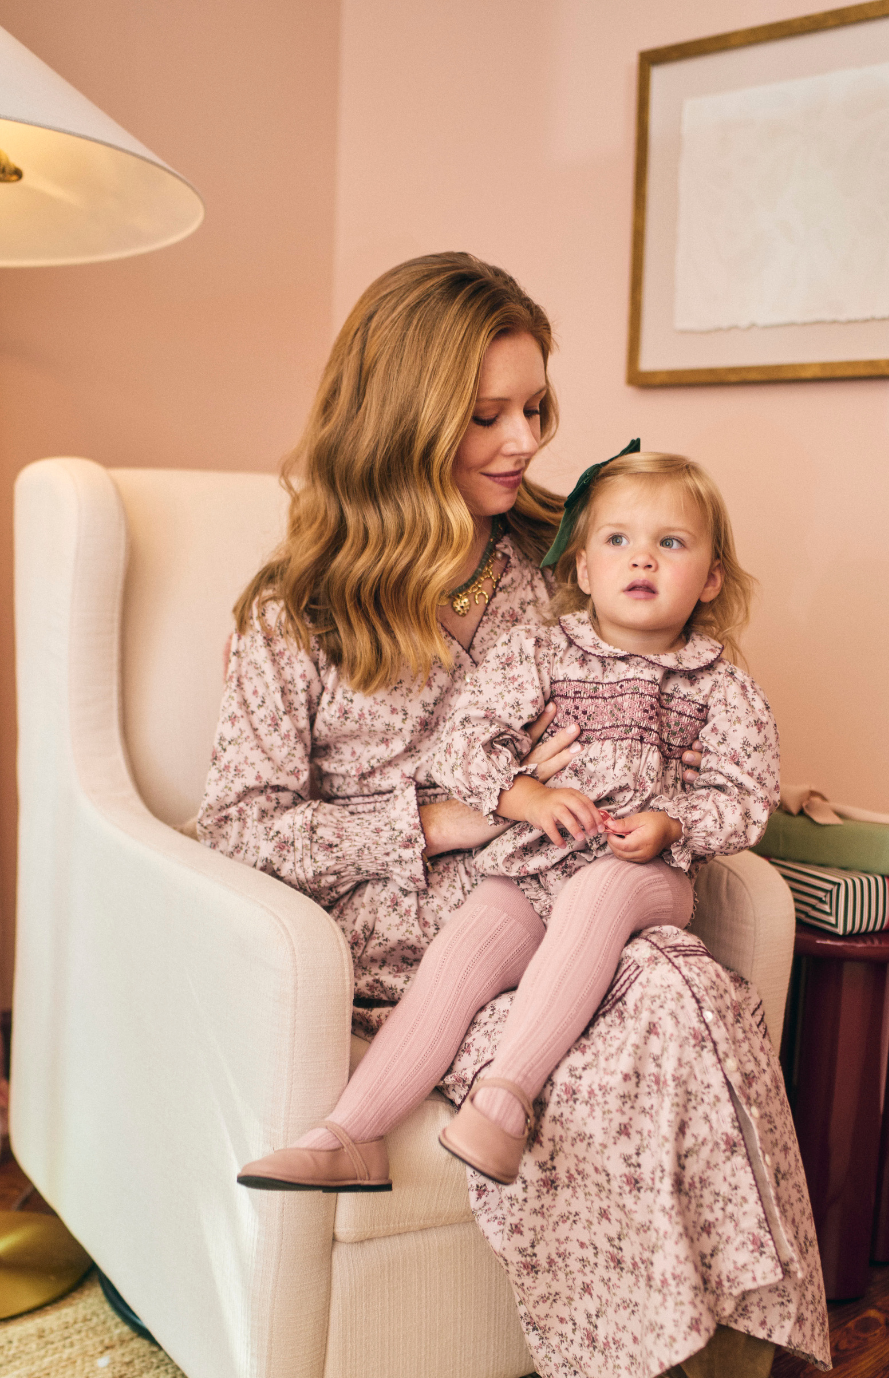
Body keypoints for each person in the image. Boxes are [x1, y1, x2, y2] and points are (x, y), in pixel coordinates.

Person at [198, 253, 852, 1378]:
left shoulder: (556, 552)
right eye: (486, 415)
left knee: (679, 985)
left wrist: (715, 789)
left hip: (586, 899)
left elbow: (669, 658)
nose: (521, 444)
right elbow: (241, 828)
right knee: (664, 1004)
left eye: (535, 408)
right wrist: (434, 815)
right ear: (398, 412)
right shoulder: (294, 611)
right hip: (430, 937)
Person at [236, 446, 773, 1192]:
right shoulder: (541, 650)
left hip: (644, 871)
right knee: (465, 947)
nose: (642, 558)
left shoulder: (722, 687)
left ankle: (503, 1098)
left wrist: (671, 824)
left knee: (599, 890)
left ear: (711, 578)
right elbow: (465, 739)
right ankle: (351, 1134)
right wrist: (524, 799)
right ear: (583, 569)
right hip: (531, 859)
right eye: (617, 540)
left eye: (671, 543)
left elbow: (745, 795)